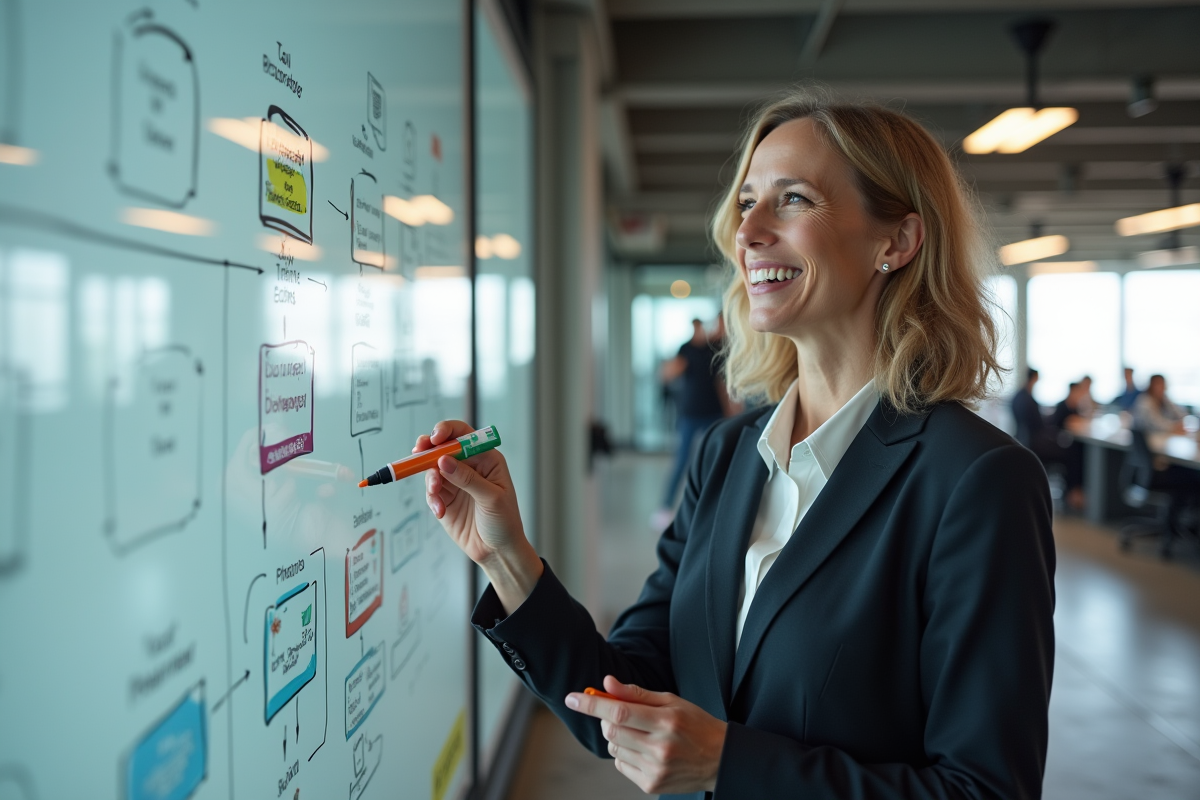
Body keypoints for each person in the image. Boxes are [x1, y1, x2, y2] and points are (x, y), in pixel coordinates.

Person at [415, 94, 1054, 798]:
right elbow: (624, 704)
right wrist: (507, 555)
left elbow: (986, 789)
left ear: (896, 242)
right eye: (747, 202)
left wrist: (729, 763)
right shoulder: (727, 455)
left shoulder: (978, 480)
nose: (746, 230)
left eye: (794, 199)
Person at [659, 318, 728, 511]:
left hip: (713, 413)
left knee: (714, 460)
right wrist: (673, 367)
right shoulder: (685, 349)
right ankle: (666, 506)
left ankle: (713, 507)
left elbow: (720, 384)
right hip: (690, 413)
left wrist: (730, 412)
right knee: (681, 460)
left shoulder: (713, 348)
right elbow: (667, 374)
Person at [1011, 367, 1043, 449]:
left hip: (1021, 436)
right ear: (1035, 377)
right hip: (1031, 440)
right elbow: (1036, 422)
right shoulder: (1027, 399)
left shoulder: (1019, 396)